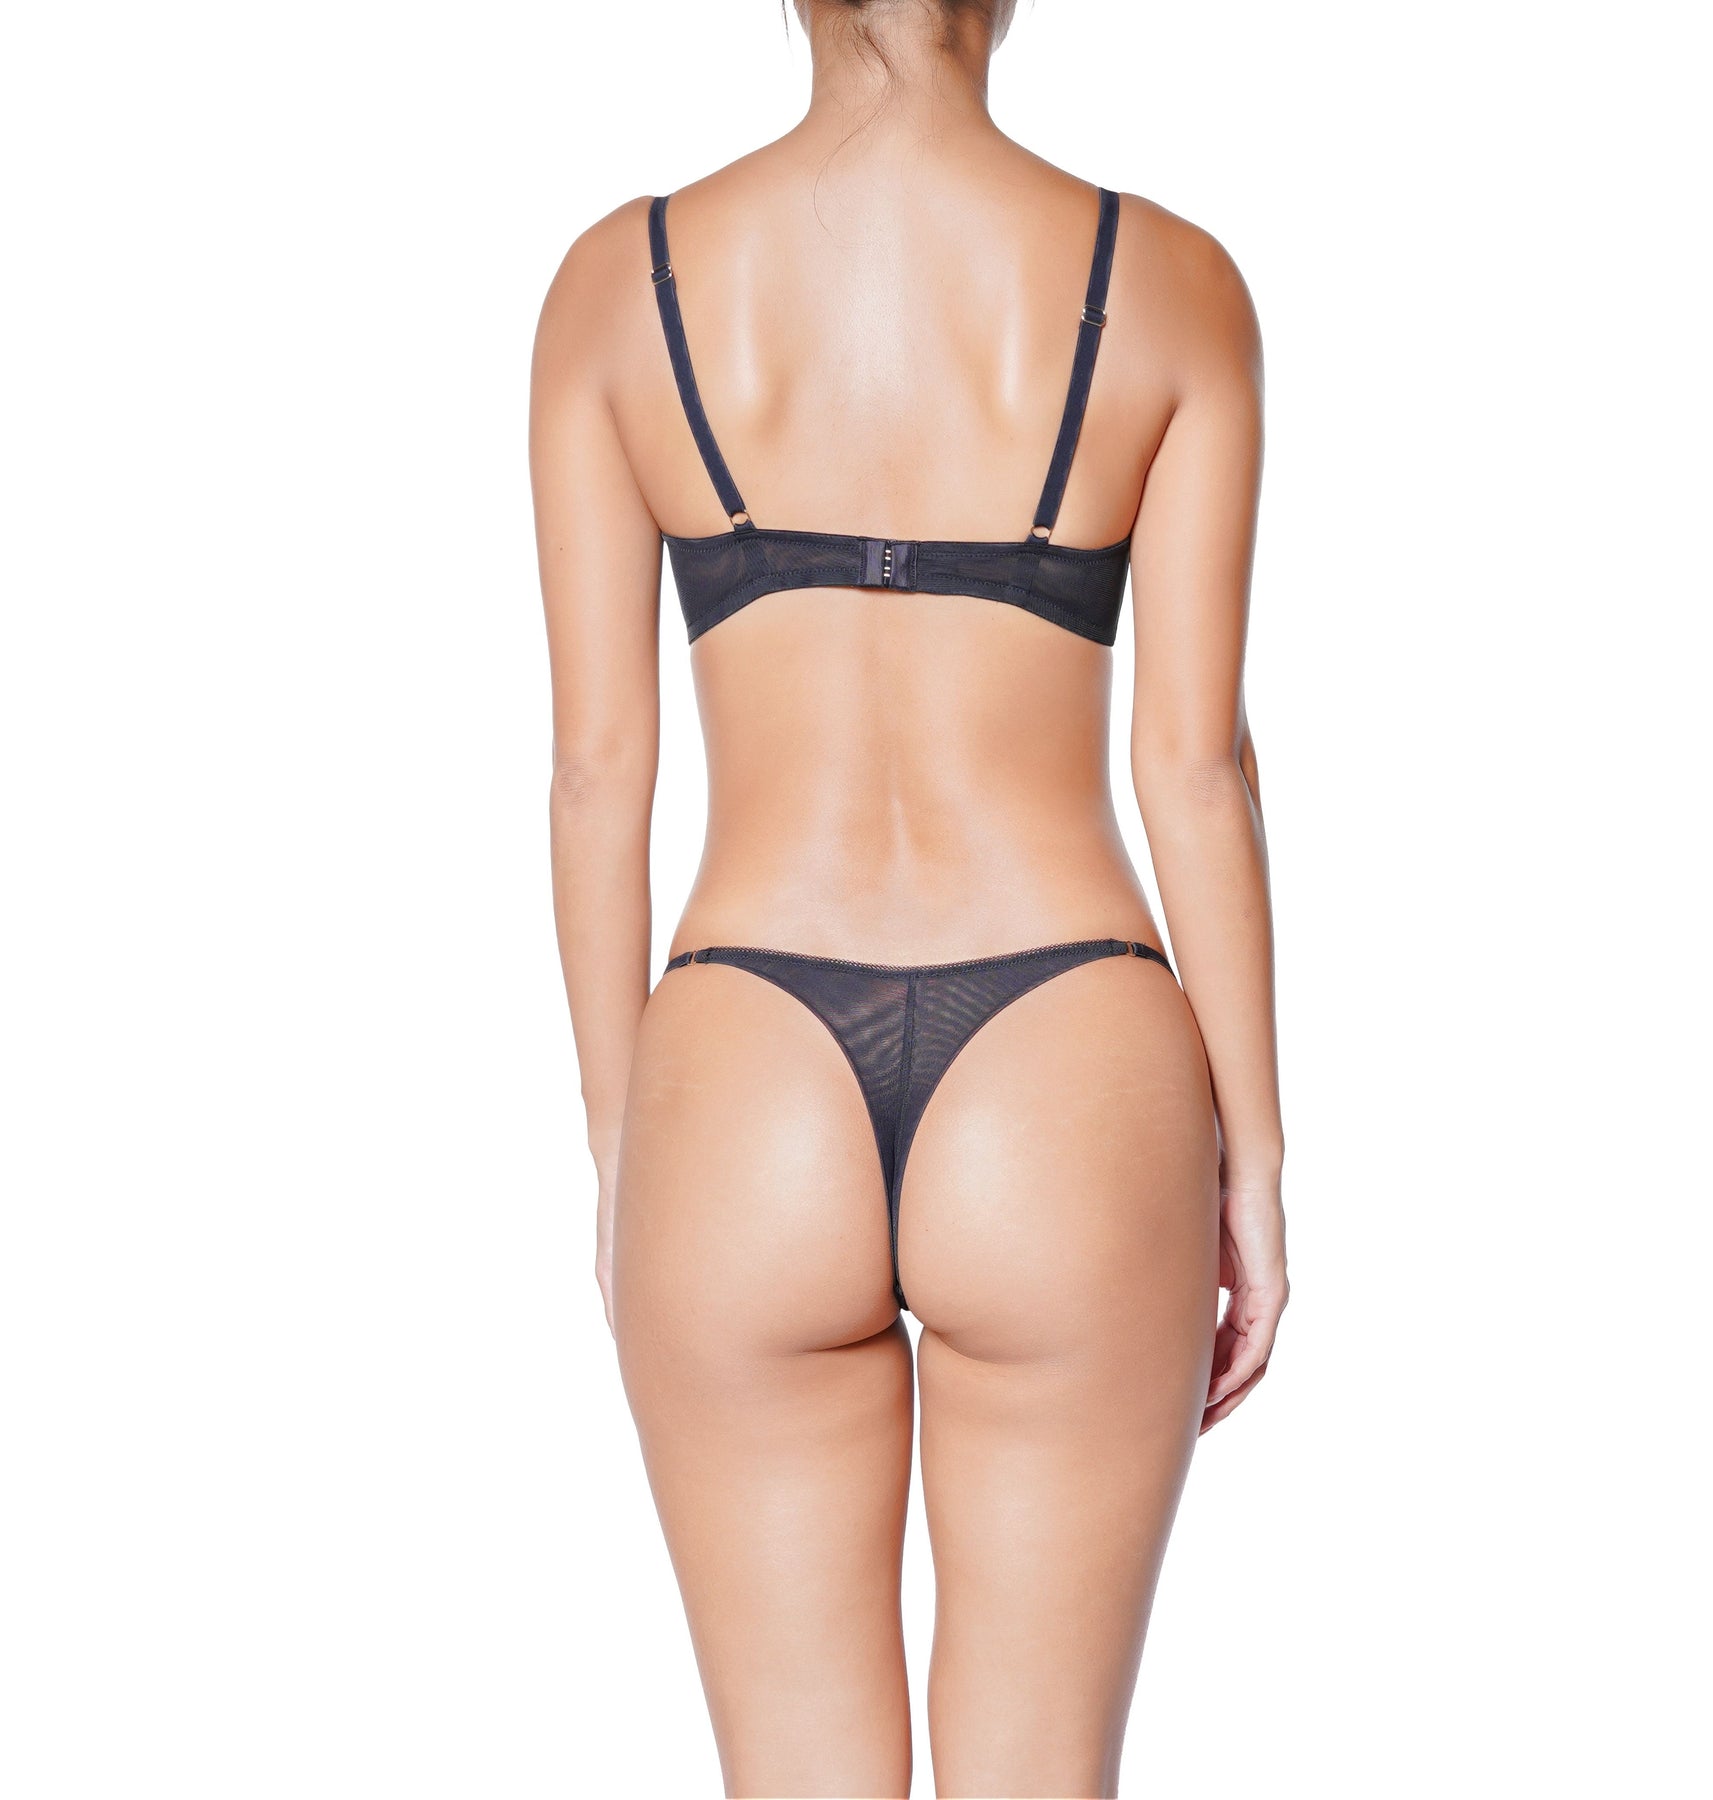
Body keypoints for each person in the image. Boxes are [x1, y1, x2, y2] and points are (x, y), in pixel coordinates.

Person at [529, 1, 1288, 1792]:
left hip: (742, 1061)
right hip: (1069, 1053)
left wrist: (627, 1147)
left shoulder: (619, 287)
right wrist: (1255, 1162)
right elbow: (1196, 769)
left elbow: (596, 779)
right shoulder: (1174, 284)